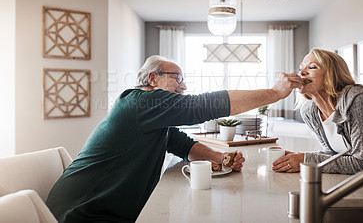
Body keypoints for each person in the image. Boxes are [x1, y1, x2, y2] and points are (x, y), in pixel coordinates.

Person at [46, 55, 302, 222]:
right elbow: (201, 106)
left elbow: (182, 144)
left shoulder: (149, 116)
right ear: (152, 78)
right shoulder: (141, 102)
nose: (183, 86)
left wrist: (221, 158)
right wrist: (274, 93)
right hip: (81, 214)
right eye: (177, 78)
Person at [272, 49, 363, 175]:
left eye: (312, 67)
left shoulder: (358, 103)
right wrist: (300, 157)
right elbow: (333, 153)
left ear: (331, 75)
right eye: (301, 68)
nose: (302, 73)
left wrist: (305, 160)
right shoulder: (309, 112)